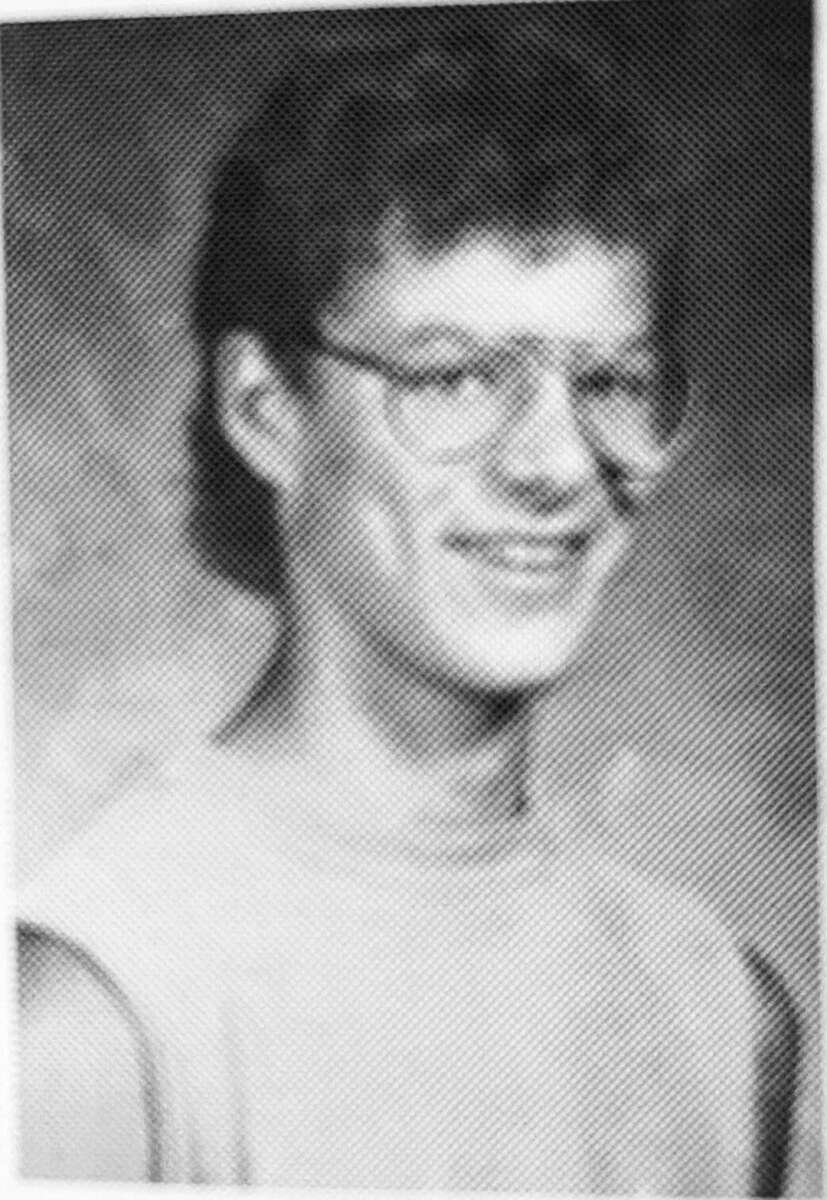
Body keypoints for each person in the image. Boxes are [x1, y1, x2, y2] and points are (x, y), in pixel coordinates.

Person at [16, 12, 799, 1194]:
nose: (553, 465)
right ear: (266, 410)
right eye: (455, 379)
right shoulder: (90, 1022)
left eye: (610, 382)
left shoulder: (718, 1012)